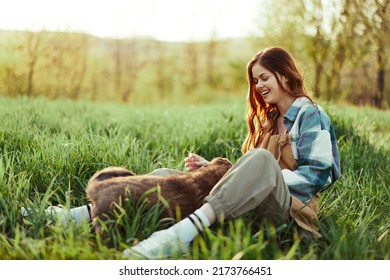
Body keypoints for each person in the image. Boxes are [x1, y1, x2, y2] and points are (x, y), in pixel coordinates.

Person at [22, 46, 340, 259]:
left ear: (285, 75)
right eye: (255, 80)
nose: (258, 86)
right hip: (255, 204)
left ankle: (178, 237)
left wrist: (252, 176)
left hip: (291, 214)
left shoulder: (310, 116)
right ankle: (82, 216)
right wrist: (212, 170)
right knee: (164, 176)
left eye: (264, 78)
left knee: (257, 162)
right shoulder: (270, 120)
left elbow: (316, 176)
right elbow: (252, 174)